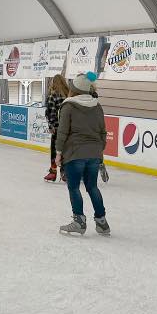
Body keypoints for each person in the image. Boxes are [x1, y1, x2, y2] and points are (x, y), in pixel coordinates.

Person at [55, 72, 110, 237]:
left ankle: (79, 221)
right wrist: (99, 151)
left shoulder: (68, 106)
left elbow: (63, 132)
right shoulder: (97, 106)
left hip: (75, 153)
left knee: (73, 187)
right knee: (92, 187)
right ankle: (102, 222)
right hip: (94, 154)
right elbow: (102, 132)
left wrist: (58, 153)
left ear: (74, 89)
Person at [44, 74, 70, 182]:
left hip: (57, 128)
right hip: (68, 128)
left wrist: (51, 125)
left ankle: (53, 172)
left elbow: (51, 112)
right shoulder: (69, 95)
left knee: (55, 150)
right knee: (66, 150)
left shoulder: (53, 95)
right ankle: (65, 172)